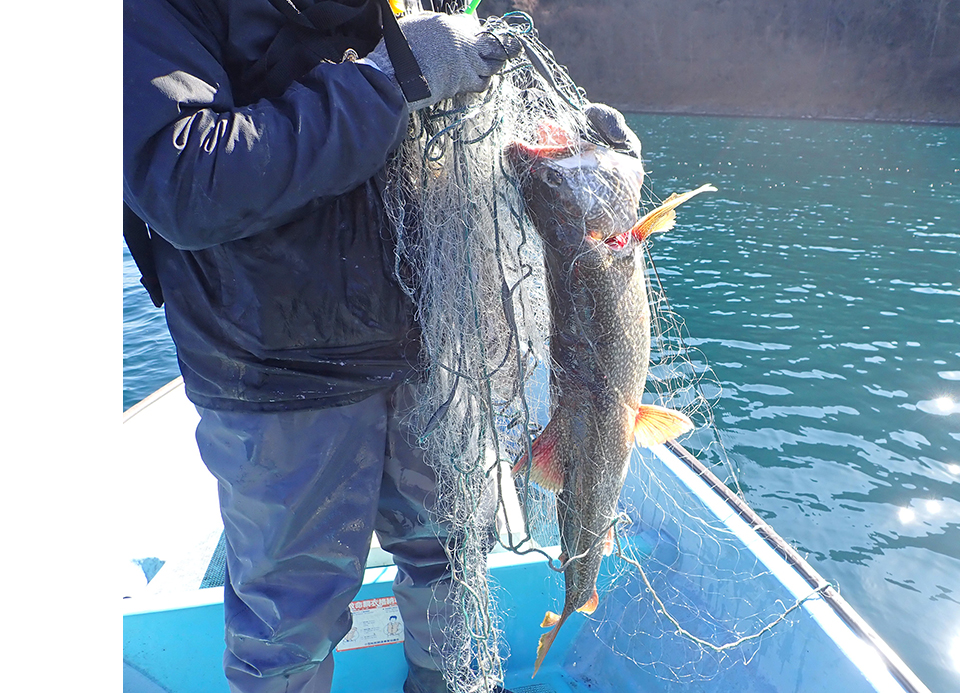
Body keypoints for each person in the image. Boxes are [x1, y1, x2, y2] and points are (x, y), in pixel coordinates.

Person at [123, 2, 638, 692]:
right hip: (276, 370)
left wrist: (591, 181)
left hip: (435, 345)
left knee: (455, 568)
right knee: (288, 629)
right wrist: (389, 78)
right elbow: (182, 177)